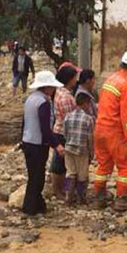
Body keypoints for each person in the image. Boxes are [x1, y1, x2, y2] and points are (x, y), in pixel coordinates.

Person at [93, 50, 127, 211]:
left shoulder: (110, 80)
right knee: (125, 166)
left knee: (103, 165)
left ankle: (99, 197)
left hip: (100, 129)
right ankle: (121, 199)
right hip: (115, 132)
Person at [21, 71, 65, 215]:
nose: (54, 90)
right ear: (46, 87)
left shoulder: (30, 99)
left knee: (33, 175)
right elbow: (45, 128)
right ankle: (30, 207)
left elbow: (24, 122)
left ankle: (37, 205)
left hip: (28, 141)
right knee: (37, 177)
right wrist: (56, 145)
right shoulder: (44, 103)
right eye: (52, 87)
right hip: (38, 144)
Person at [50, 66, 78, 200]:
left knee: (60, 162)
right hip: (63, 132)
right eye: (74, 78)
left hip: (59, 130)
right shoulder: (66, 97)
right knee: (60, 164)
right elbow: (69, 118)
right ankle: (58, 190)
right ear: (70, 79)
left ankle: (59, 189)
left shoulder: (59, 92)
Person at [63, 93, 94, 205]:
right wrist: (91, 153)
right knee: (82, 176)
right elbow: (90, 138)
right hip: (82, 150)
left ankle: (68, 197)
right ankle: (81, 198)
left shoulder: (68, 116)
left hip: (69, 148)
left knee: (70, 173)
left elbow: (65, 133)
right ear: (85, 104)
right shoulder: (88, 119)